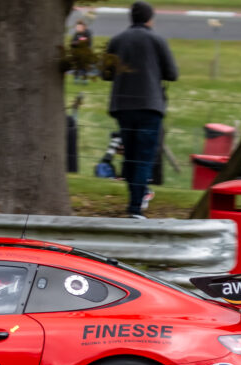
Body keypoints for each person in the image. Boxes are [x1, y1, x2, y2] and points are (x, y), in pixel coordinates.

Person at [103, 1, 177, 219]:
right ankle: (136, 205)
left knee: (131, 155)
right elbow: (172, 73)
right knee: (145, 156)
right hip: (149, 104)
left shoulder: (117, 40)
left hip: (123, 105)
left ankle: (138, 196)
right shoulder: (157, 40)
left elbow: (106, 73)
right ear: (149, 19)